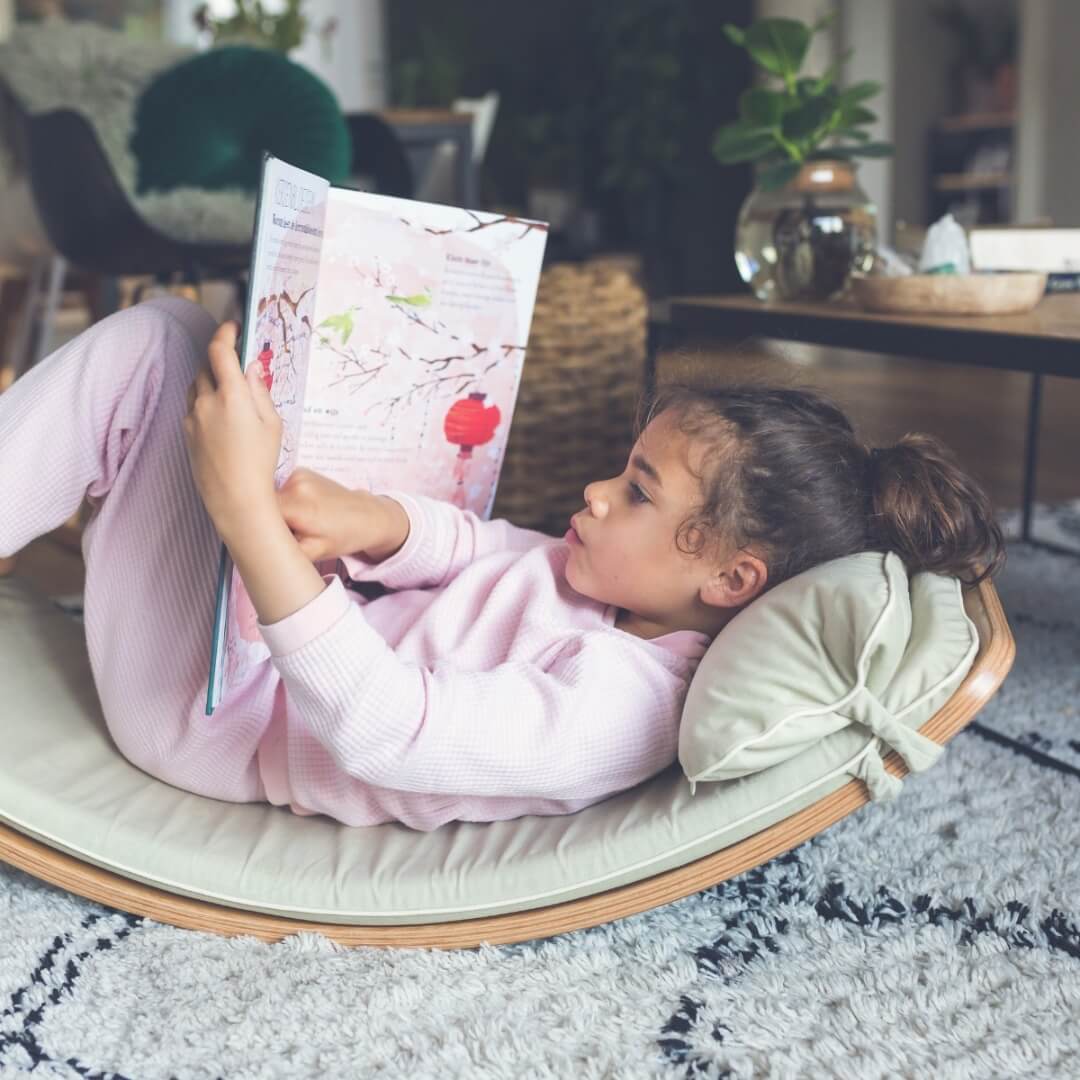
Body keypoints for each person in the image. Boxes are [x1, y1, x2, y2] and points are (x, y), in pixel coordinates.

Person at [0, 297, 1005, 831]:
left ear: (730, 579)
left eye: (639, 492)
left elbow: (385, 731)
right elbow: (491, 551)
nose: (599, 496)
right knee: (193, 339)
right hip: (262, 649)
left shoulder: (618, 709)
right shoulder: (615, 595)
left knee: (151, 346)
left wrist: (243, 516)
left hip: (217, 714)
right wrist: (376, 521)